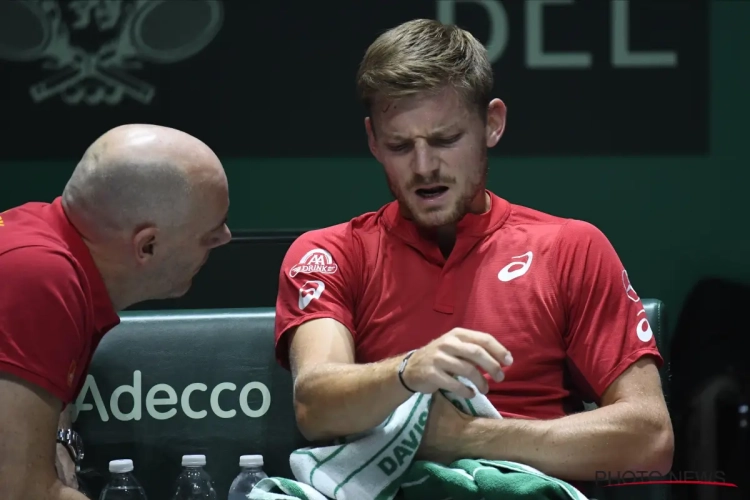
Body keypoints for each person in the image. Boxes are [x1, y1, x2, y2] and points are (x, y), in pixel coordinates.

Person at [274, 19, 673, 483]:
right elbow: (315, 405)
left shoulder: (571, 247)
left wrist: (467, 436)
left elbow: (650, 439)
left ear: (493, 124)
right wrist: (410, 370)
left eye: (445, 140)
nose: (424, 167)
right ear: (372, 141)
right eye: (400, 145)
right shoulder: (331, 252)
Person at [0, 124, 232, 500]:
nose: (226, 238)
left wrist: (57, 440)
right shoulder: (38, 278)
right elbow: (19, 492)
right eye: (210, 234)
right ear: (148, 246)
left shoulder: (38, 240)